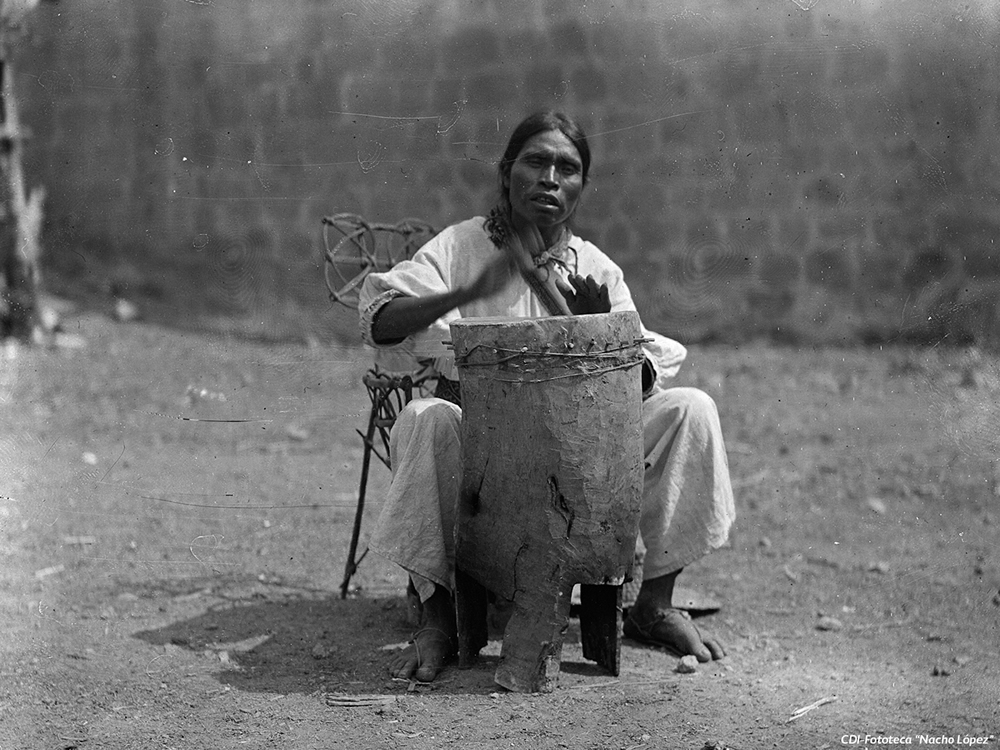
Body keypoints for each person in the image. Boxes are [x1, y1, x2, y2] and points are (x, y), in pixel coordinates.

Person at [357, 111, 736, 683]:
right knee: (424, 418)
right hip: (486, 457)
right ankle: (438, 620)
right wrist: (464, 292)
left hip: (579, 462)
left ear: (582, 186)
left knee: (691, 409)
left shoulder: (596, 268)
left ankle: (654, 604)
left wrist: (593, 330)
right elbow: (381, 320)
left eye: (568, 168)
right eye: (535, 162)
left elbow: (638, 376)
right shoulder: (461, 247)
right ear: (506, 172)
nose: (550, 179)